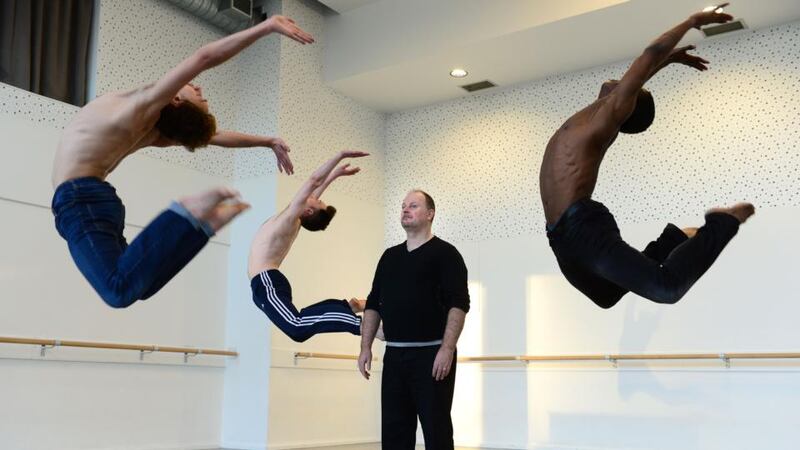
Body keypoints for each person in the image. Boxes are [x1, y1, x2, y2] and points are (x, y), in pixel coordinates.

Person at [51, 15, 313, 308]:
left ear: (175, 99)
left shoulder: (143, 105)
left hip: (79, 198)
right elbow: (218, 136)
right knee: (140, 285)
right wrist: (267, 141)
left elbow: (204, 57)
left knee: (118, 291)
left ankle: (185, 213)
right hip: (93, 198)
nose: (199, 89)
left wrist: (266, 26)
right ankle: (202, 227)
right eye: (198, 91)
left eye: (196, 94)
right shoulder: (155, 132)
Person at [539, 3, 754, 309]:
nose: (619, 81)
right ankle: (674, 239)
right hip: (559, 235)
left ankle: (723, 223)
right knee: (606, 296)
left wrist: (691, 21)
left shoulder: (604, 118)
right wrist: (669, 62)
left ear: (627, 105)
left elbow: (648, 55)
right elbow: (644, 72)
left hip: (581, 226)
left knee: (666, 288)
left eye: (628, 88)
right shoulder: (592, 116)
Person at [359, 190, 470, 450]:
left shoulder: (446, 254)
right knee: (395, 433)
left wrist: (447, 348)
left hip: (432, 357)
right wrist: (365, 347)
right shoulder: (389, 257)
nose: (405, 210)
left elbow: (459, 304)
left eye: (413, 206)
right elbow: (374, 303)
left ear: (430, 214)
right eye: (403, 206)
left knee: (437, 432)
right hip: (395, 358)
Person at [248, 150, 372, 342]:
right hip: (264, 283)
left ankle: (359, 324)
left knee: (297, 327)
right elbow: (317, 186)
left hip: (266, 281)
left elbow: (314, 180)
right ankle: (350, 306)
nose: (318, 197)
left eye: (319, 201)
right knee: (299, 320)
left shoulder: (290, 219)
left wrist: (339, 155)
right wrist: (335, 175)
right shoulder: (295, 218)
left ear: (308, 210)